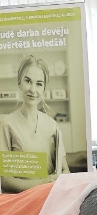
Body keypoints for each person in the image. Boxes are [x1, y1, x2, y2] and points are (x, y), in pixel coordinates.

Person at [0, 55, 69, 193]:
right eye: (28, 81)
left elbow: (65, 170)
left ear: (44, 89)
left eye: (39, 84)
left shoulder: (52, 125)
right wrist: (42, 182)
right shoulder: (6, 124)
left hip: (50, 196)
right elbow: (6, 182)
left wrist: (59, 180)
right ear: (19, 83)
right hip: (22, 200)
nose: (33, 89)